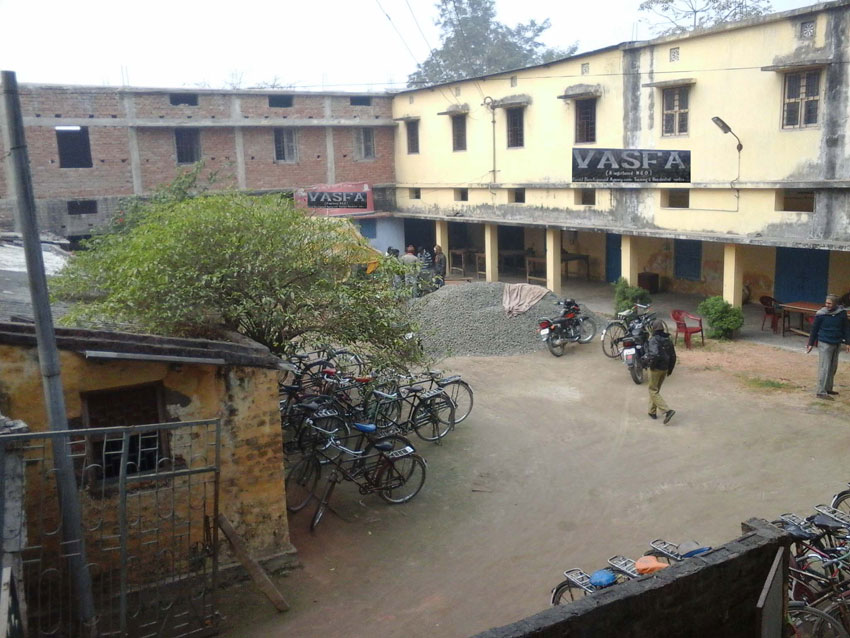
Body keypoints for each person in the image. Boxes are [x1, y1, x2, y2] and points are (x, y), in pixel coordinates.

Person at [806, 294, 850, 400]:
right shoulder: (821, 314)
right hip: (824, 343)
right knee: (824, 368)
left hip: (837, 342)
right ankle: (821, 392)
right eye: (826, 303)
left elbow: (846, 328)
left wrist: (848, 342)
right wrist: (810, 343)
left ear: (835, 304)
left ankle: (828, 388)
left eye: (829, 303)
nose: (827, 305)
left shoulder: (841, 313)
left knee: (832, 367)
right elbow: (814, 329)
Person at [645, 319, 677, 424]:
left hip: (656, 369)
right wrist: (670, 369)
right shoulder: (668, 339)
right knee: (656, 390)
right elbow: (673, 356)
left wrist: (651, 366)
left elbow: (654, 355)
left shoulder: (653, 340)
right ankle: (652, 412)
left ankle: (667, 411)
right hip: (665, 368)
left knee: (652, 390)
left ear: (653, 329)